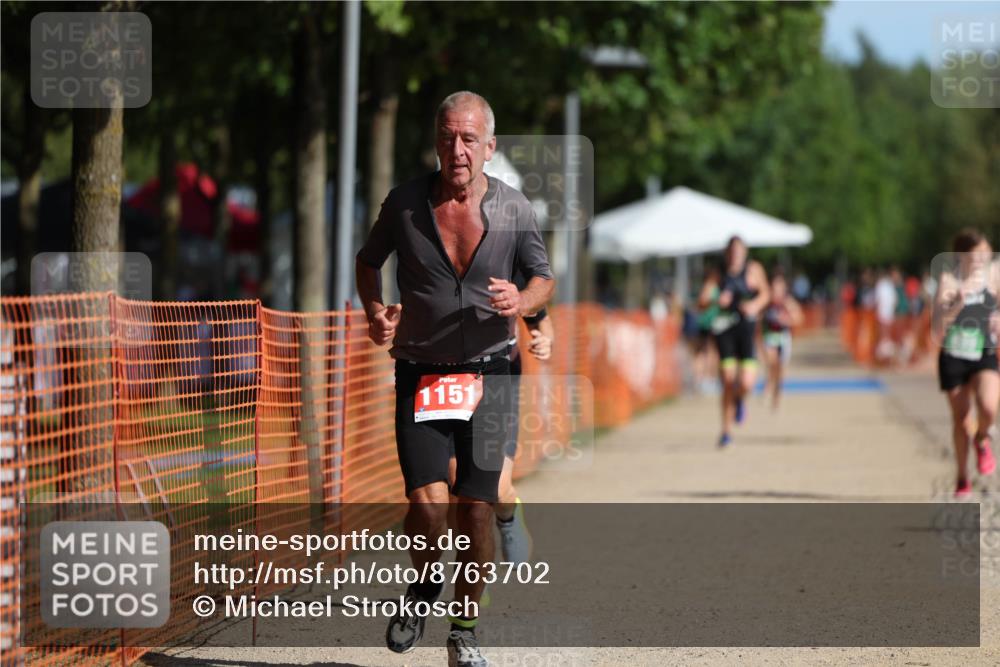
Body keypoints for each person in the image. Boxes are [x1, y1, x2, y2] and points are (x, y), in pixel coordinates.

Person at [356, 91, 555, 666]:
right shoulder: (405, 204)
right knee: (428, 506)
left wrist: (523, 302)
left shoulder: (514, 210)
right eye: (447, 138)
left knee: (475, 509)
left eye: (469, 139)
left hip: (491, 373)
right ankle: (424, 584)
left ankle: (463, 632)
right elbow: (368, 263)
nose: (457, 149)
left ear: (489, 147)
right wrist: (375, 313)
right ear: (435, 143)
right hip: (420, 371)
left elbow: (543, 278)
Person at [933, 228, 998, 499]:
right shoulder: (949, 280)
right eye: (976, 253)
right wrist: (957, 304)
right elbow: (939, 325)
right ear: (961, 255)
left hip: (983, 352)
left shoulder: (994, 276)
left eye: (986, 252)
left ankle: (982, 438)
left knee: (988, 406)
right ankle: (962, 476)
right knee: (961, 420)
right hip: (954, 354)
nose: (982, 258)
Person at [702, 236, 769, 447]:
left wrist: (755, 305)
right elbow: (702, 300)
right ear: (727, 253)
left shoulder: (753, 269)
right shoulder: (718, 273)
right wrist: (716, 299)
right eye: (732, 252)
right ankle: (726, 431)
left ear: (745, 252)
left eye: (739, 251)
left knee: (747, 383)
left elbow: (765, 294)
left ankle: (740, 400)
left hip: (746, 330)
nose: (735, 256)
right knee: (728, 381)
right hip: (725, 330)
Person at [761, 272, 804, 410]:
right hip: (769, 336)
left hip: (783, 337)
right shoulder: (767, 301)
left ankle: (777, 397)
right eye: (774, 288)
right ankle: (768, 386)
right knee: (772, 363)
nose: (777, 292)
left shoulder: (788, 302)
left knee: (781, 371)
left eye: (779, 288)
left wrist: (787, 320)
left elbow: (799, 318)